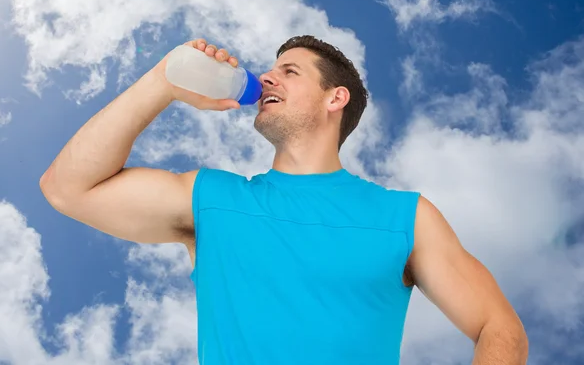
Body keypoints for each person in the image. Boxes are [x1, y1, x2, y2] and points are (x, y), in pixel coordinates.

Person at [40, 35, 529, 364]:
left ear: (334, 98)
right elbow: (68, 187)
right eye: (270, 70)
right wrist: (163, 82)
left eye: (289, 71)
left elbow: (498, 326)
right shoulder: (212, 200)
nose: (267, 79)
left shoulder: (404, 218)